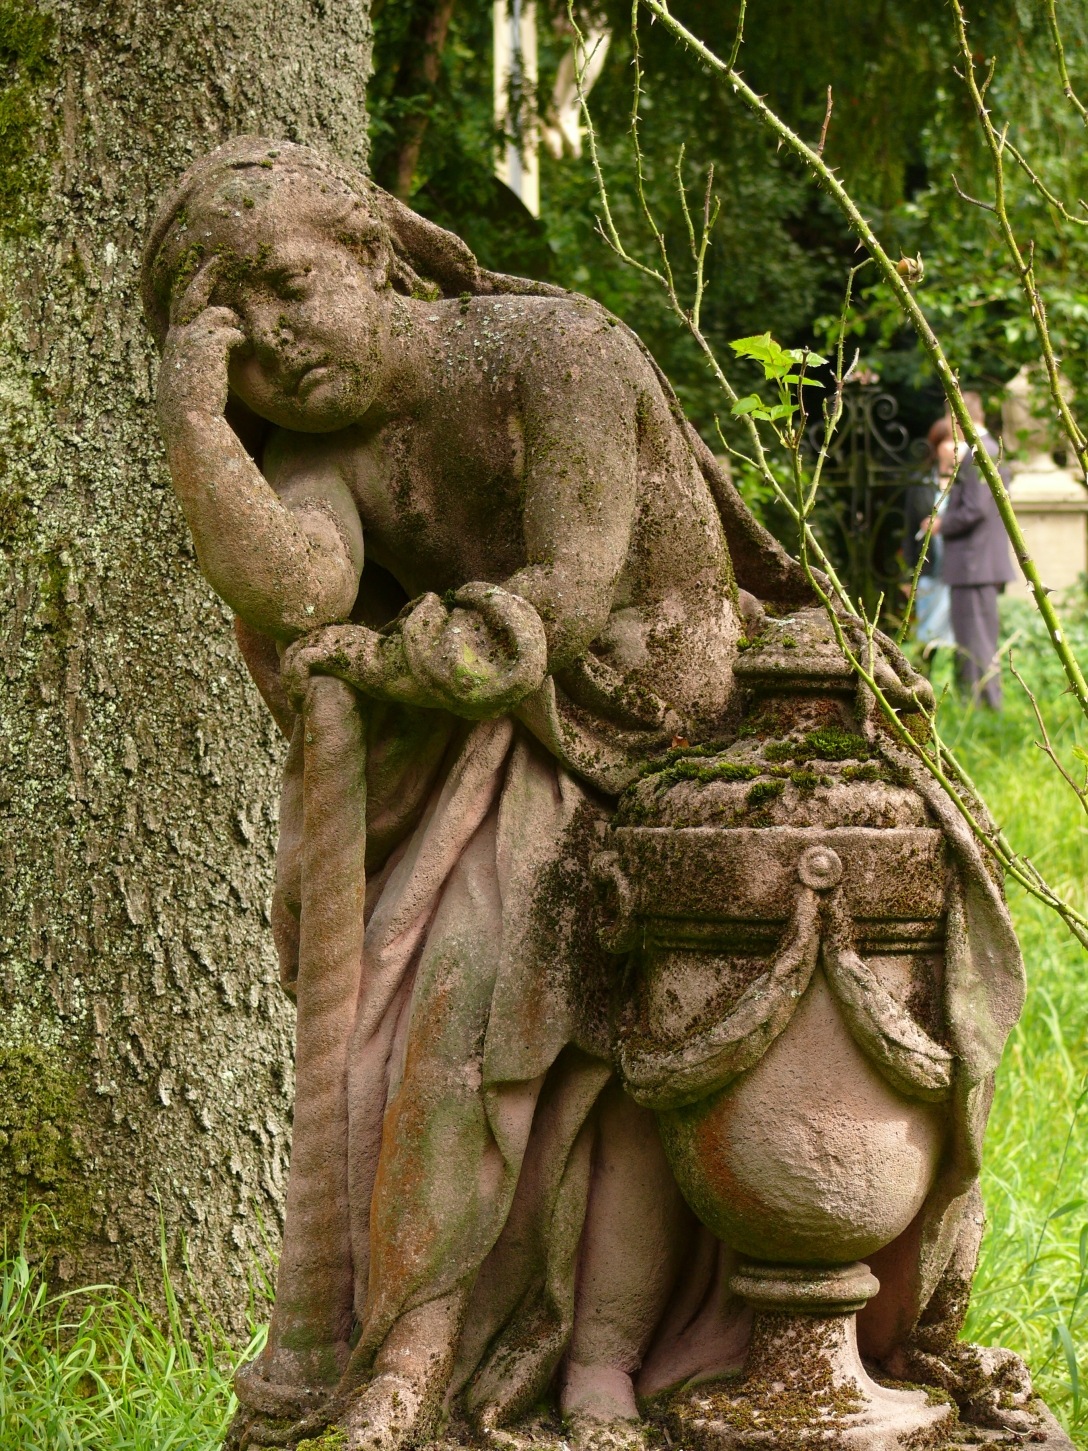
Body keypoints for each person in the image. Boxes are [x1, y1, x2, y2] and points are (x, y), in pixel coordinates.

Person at [142, 136, 818, 1451]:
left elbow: (571, 584)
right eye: (240, 338)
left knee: (483, 978)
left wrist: (403, 658)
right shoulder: (326, 452)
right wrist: (195, 426)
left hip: (672, 739)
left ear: (373, 255)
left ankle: (575, 1352)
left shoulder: (550, 349)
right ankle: (417, 1347)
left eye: (290, 286)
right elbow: (294, 589)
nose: (275, 340)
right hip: (523, 749)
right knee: (439, 1004)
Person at [928, 393, 1015, 709]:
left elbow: (974, 509)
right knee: (972, 639)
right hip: (975, 565)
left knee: (976, 642)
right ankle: (977, 706)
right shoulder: (985, 450)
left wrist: (941, 524)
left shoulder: (981, 453)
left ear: (958, 418)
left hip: (975, 564)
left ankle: (986, 708)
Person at [903, 417, 954, 667]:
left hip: (959, 569)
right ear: (937, 445)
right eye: (948, 441)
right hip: (931, 567)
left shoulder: (968, 483)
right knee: (927, 635)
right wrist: (908, 574)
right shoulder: (921, 482)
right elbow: (909, 529)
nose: (954, 447)